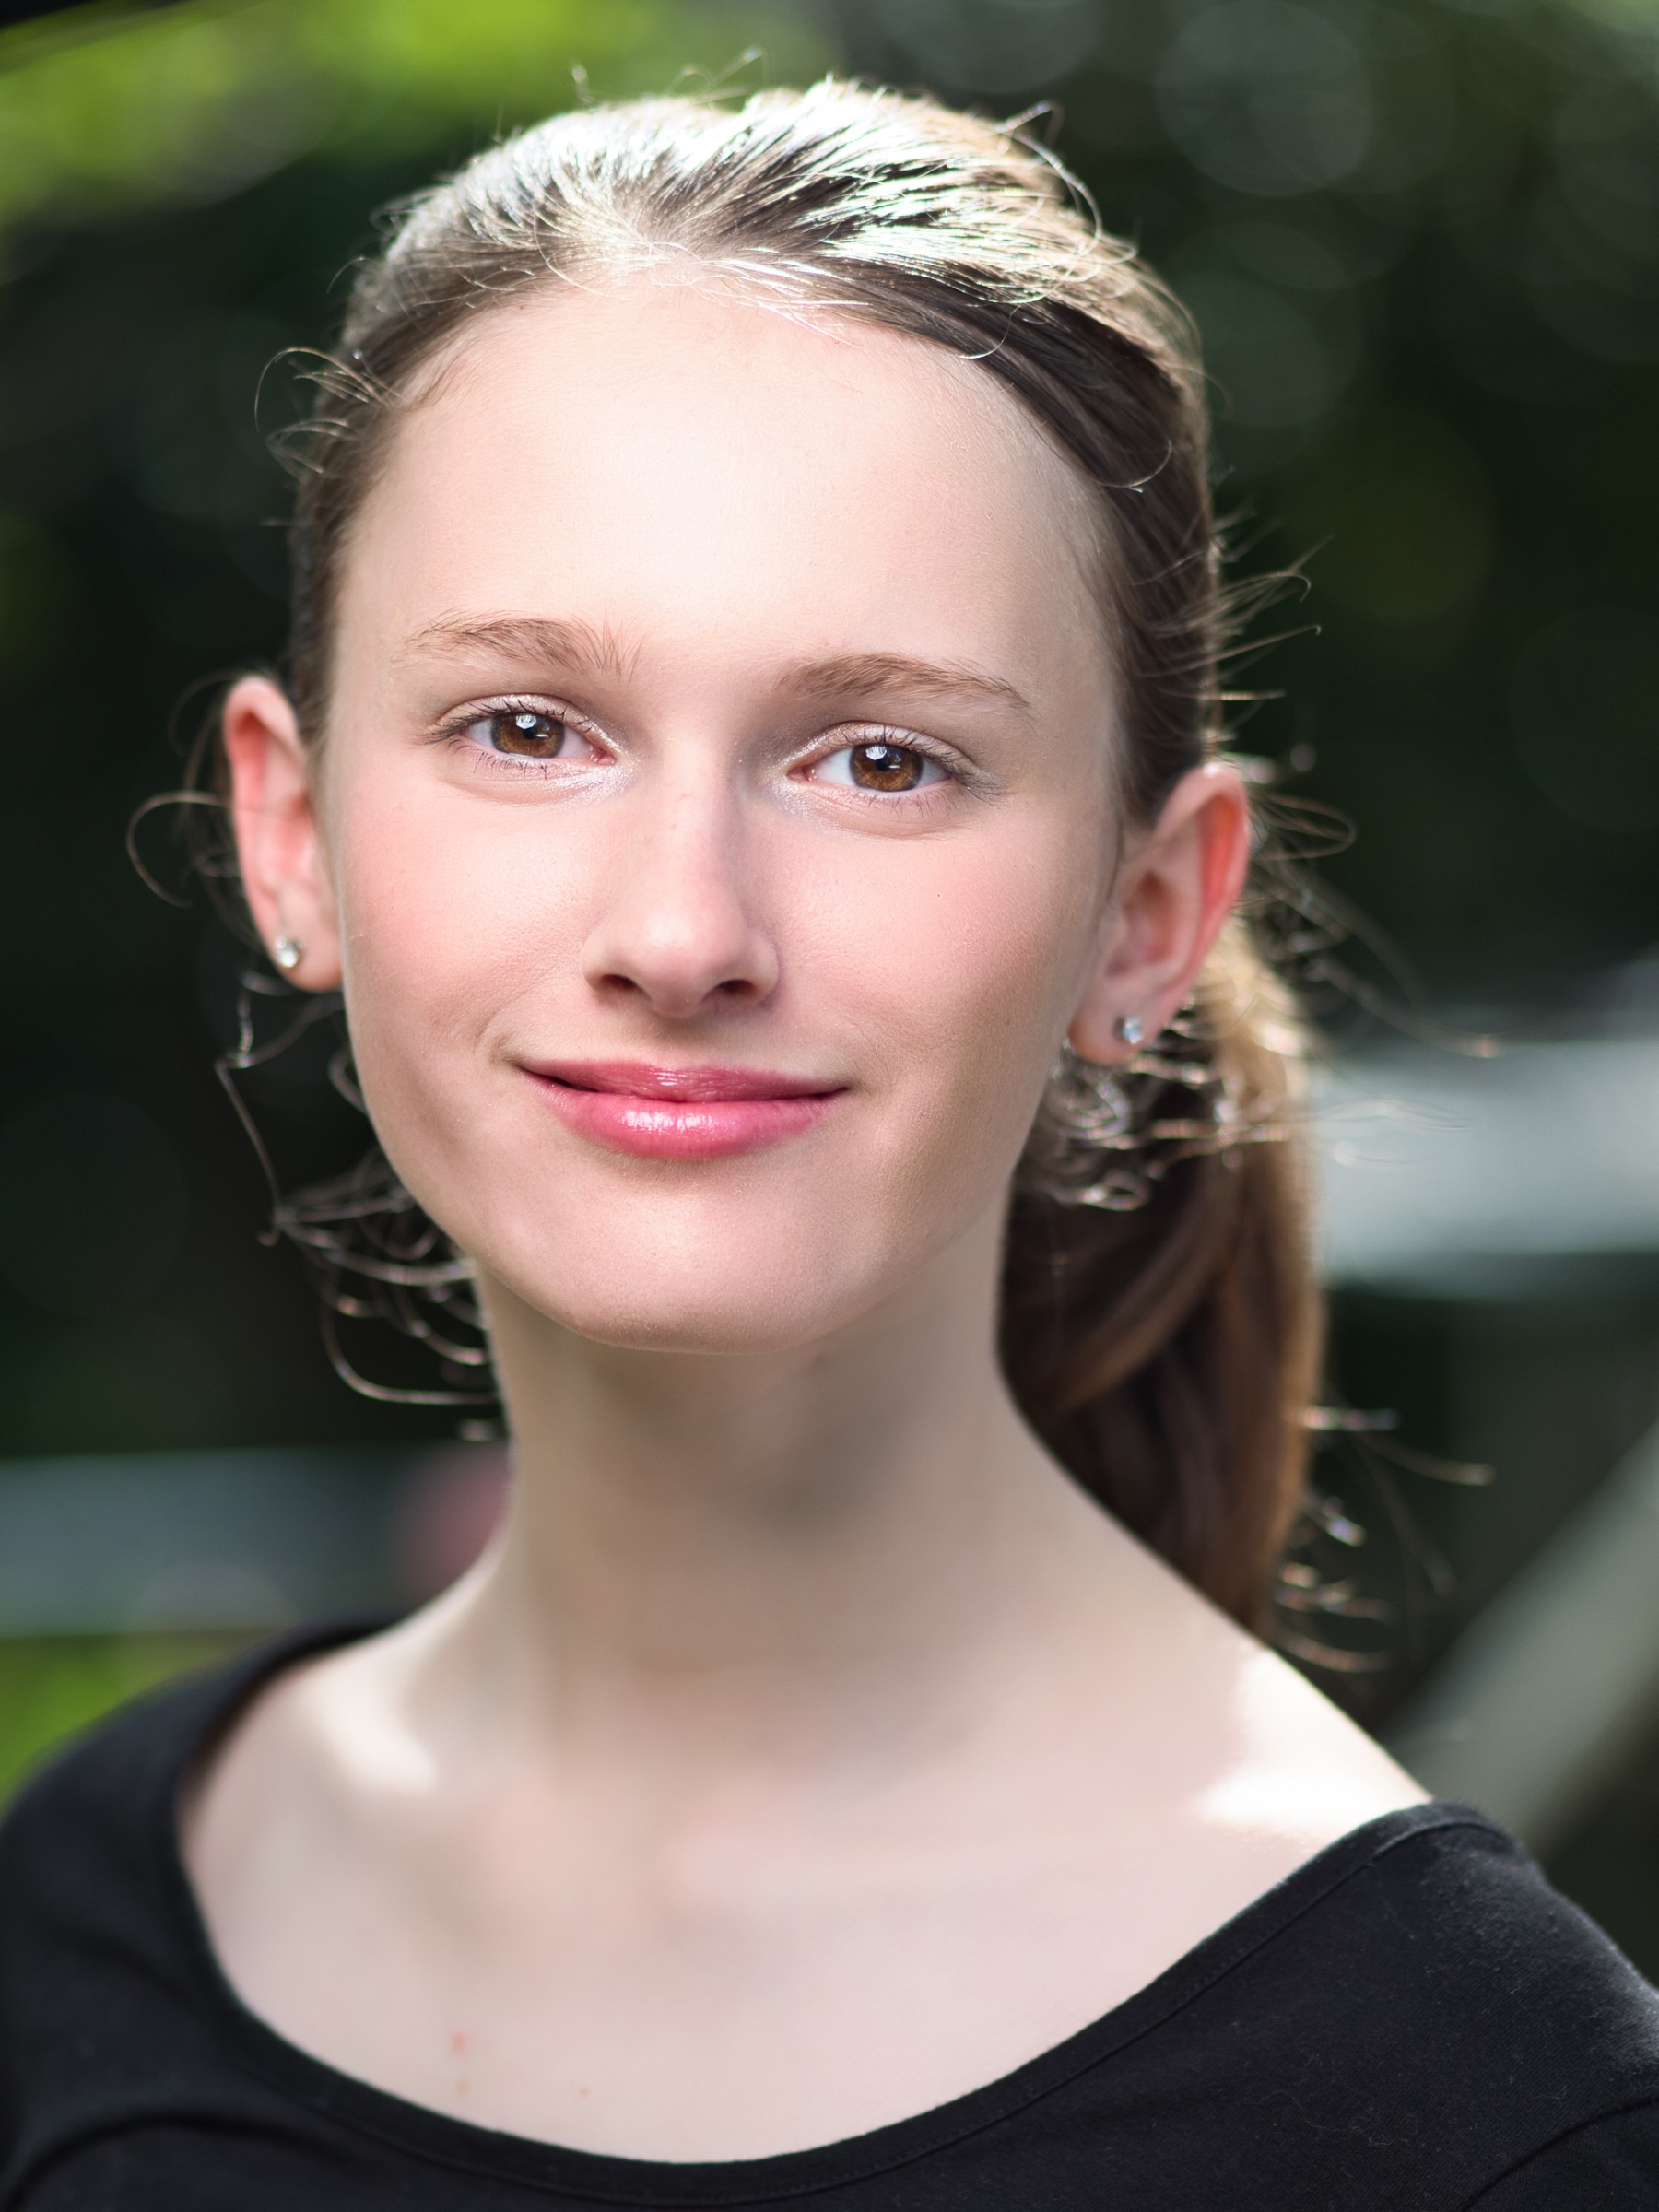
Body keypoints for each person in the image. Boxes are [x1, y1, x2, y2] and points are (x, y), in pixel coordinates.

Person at [1, 79, 1654, 2212]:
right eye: (530, 729)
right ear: (292, 832)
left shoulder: (1490, 2117)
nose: (685, 930)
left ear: (1147, 914)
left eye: (881, 759)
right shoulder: (81, 1918)